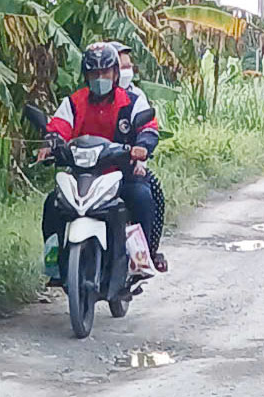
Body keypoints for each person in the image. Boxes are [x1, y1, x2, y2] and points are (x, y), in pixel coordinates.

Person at [38, 44, 166, 284]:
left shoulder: (131, 101)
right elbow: (59, 126)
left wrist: (143, 146)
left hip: (121, 174)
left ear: (115, 73)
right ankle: (54, 261)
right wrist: (50, 142)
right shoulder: (74, 103)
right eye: (94, 73)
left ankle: (140, 258)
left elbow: (148, 128)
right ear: (86, 76)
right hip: (81, 176)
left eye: (105, 72)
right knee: (51, 206)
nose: (100, 78)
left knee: (141, 196)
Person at [109, 42, 168, 272]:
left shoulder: (136, 97)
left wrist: (141, 157)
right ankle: (57, 263)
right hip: (92, 170)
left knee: (149, 195)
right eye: (122, 66)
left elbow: (148, 129)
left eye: (128, 66)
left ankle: (146, 253)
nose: (127, 71)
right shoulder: (88, 98)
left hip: (128, 168)